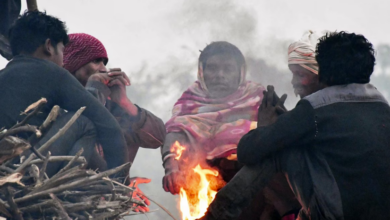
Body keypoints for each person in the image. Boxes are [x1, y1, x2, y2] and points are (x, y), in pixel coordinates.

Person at [204, 31, 390, 220]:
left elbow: (247, 151)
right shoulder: (382, 105)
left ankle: (216, 215)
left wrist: (265, 127)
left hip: (338, 215)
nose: (294, 81)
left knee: (275, 150)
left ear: (322, 70)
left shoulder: (318, 106)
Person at [162, 41, 293, 219]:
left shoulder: (260, 98)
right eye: (213, 68)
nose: (219, 75)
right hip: (203, 184)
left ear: (240, 72)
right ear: (202, 71)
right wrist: (172, 168)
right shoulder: (190, 100)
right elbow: (175, 133)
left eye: (227, 69)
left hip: (256, 190)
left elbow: (283, 141)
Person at [0, 11, 128, 177]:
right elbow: (110, 128)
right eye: (62, 50)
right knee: (83, 122)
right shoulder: (51, 72)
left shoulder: (3, 75)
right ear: (48, 46)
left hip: (6, 171)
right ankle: (70, 185)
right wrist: (121, 181)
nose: (62, 60)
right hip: (25, 172)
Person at [63, 33, 166, 164]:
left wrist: (125, 103)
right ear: (73, 65)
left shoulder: (113, 109)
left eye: (104, 63)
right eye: (95, 61)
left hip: (113, 184)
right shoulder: (57, 103)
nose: (103, 69)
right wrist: (94, 89)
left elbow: (159, 138)